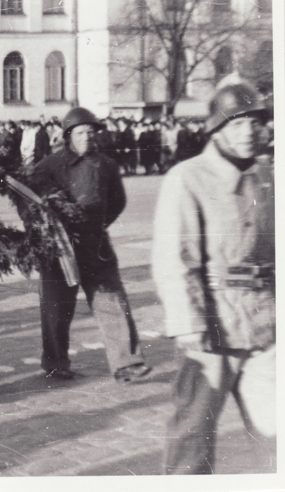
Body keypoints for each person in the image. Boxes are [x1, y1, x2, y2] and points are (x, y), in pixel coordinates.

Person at [152, 80, 275, 474]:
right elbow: (174, 259)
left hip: (264, 326)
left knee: (275, 433)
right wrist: (188, 324)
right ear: (216, 129)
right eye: (237, 124)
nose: (249, 133)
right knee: (192, 434)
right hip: (212, 327)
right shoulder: (188, 178)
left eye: (256, 123)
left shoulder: (267, 178)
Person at [29, 107, 151, 382]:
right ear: (68, 135)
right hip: (59, 250)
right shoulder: (50, 165)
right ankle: (55, 362)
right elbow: (30, 201)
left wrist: (98, 225)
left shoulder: (106, 165)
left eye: (91, 132)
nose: (87, 138)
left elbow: (118, 201)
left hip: (96, 247)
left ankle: (127, 363)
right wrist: (47, 230)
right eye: (80, 133)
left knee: (112, 303)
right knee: (57, 308)